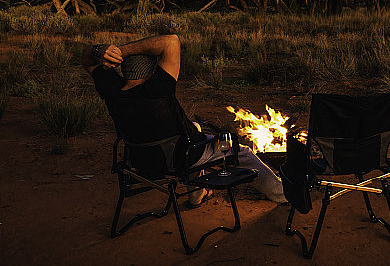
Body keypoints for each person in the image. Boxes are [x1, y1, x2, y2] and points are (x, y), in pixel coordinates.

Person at [81, 34, 285, 205]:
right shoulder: (158, 88)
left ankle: (196, 195)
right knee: (242, 152)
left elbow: (85, 60)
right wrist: (122, 51)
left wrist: (102, 51)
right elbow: (171, 41)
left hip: (141, 160)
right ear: (153, 71)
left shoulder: (111, 90)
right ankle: (281, 193)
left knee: (194, 128)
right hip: (179, 159)